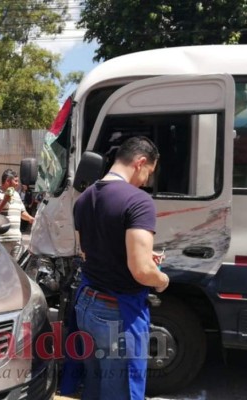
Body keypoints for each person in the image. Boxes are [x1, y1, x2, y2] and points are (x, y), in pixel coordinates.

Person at [72, 136, 170, 400]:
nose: (147, 180)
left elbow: (88, 251)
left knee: (95, 385)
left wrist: (142, 254)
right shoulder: (139, 201)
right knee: (120, 391)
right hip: (115, 314)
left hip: (86, 306)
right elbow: (141, 272)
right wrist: (161, 279)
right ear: (140, 162)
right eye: (149, 172)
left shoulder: (84, 199)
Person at [0, 169, 35, 259]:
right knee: (1, 269)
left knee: (15, 270)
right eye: (15, 181)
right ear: (8, 181)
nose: (17, 183)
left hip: (16, 241)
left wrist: (31, 219)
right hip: (0, 241)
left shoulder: (16, 194)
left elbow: (21, 212)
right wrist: (5, 200)